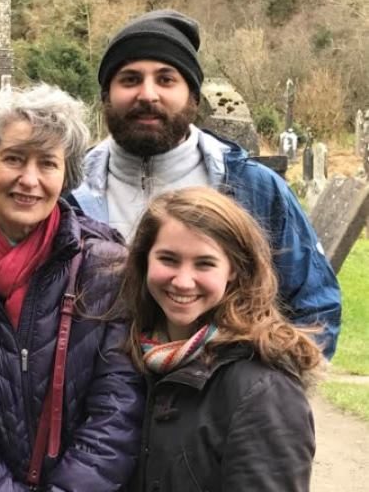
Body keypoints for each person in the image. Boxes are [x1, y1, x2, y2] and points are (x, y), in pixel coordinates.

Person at [71, 9, 341, 358]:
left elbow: (315, 309)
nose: (147, 94)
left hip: (223, 408)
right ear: (107, 95)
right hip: (98, 409)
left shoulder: (253, 189)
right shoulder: (68, 191)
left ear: (193, 96)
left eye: (166, 79)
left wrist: (265, 395)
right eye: (130, 79)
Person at [0, 84, 144, 491]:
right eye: (14, 159)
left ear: (67, 175)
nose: (29, 179)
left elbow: (118, 405)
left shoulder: (105, 269)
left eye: (48, 164)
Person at [123, 186, 321, 491]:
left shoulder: (263, 390)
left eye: (205, 263)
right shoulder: (132, 354)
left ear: (234, 270)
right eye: (168, 259)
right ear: (145, 259)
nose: (183, 281)